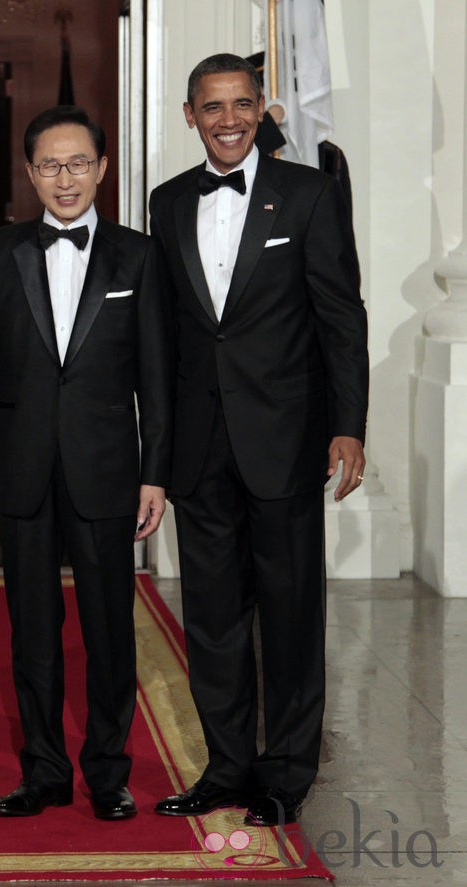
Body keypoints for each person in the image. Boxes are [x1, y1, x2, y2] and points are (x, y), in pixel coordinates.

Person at [148, 53, 368, 826]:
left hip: (285, 437)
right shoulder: (166, 201)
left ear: (263, 107)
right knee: (210, 619)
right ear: (190, 116)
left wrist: (348, 426)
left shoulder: (306, 194)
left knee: (289, 614)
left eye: (242, 104)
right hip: (201, 449)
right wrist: (160, 452)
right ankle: (227, 765)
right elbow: (171, 336)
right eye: (213, 107)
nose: (230, 119)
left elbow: (341, 315)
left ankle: (286, 772)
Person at [0, 106, 173, 821]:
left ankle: (107, 772)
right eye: (49, 165)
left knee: (111, 630)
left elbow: (157, 377)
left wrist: (155, 472)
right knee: (32, 630)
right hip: (19, 471)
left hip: (108, 471)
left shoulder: (137, 256)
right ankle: (44, 770)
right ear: (29, 173)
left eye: (78, 162)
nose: (65, 178)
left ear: (103, 168)